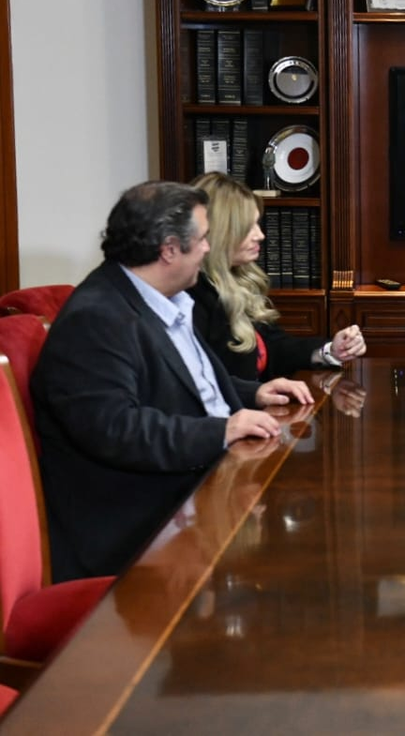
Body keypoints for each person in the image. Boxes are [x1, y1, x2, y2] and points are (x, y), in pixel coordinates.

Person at [31, 180, 313, 581]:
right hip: (145, 525)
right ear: (168, 249)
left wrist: (253, 394)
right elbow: (115, 429)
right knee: (293, 563)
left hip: (205, 485)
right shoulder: (97, 318)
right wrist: (222, 430)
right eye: (202, 239)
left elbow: (187, 387)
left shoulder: (164, 298)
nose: (208, 249)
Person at [187, 172, 366, 382]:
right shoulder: (193, 297)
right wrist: (259, 395)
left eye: (258, 224)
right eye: (248, 228)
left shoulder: (240, 280)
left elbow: (275, 347)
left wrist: (330, 350)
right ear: (220, 232)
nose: (260, 235)